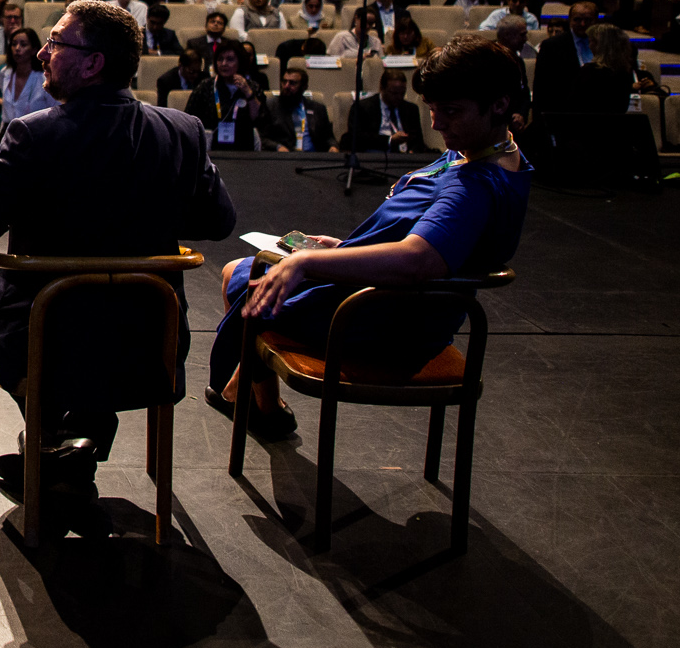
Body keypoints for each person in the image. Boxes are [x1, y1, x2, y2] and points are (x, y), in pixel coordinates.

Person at [0, 0, 236, 523]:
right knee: (97, 332)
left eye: (55, 43)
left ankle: (52, 438)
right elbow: (217, 222)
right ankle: (75, 444)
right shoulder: (184, 132)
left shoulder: (33, 134)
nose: (41, 53)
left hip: (49, 337)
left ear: (93, 63)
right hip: (150, 337)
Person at [207, 34, 532, 439]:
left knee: (246, 277)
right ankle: (261, 405)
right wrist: (342, 249)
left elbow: (417, 260)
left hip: (386, 317)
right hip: (388, 297)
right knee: (250, 271)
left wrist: (307, 261)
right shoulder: (480, 150)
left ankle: (253, 401)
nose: (435, 122)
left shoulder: (476, 185)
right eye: (432, 109)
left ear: (499, 104)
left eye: (451, 111)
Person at [188, 42, 265, 150]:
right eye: (220, 59)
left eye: (230, 59)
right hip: (212, 149)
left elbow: (257, 119)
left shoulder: (253, 87)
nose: (224, 64)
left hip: (244, 149)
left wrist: (247, 92)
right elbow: (189, 120)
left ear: (240, 62)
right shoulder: (205, 86)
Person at [533, 1, 598, 117]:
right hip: (562, 111)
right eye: (577, 20)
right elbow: (541, 85)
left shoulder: (605, 45)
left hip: (595, 110)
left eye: (588, 20)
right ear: (570, 20)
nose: (582, 24)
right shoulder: (551, 45)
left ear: (595, 20)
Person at [0, 25, 56, 129]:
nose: (17, 48)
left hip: (36, 133)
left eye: (23, 45)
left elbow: (55, 111)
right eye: (14, 44)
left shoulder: (44, 78)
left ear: (34, 50)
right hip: (7, 132)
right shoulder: (5, 73)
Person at [345, 68, 424, 153]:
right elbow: (357, 138)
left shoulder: (411, 109)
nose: (399, 97)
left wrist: (413, 151)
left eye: (402, 93)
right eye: (394, 93)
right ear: (382, 88)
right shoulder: (362, 107)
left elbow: (418, 140)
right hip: (374, 157)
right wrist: (389, 140)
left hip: (405, 158)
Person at [258, 66, 335, 152]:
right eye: (284, 82)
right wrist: (278, 147)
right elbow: (262, 137)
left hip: (313, 158)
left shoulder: (318, 108)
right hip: (284, 158)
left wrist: (333, 146)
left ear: (304, 87)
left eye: (292, 83)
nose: (286, 86)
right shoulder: (271, 106)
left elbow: (328, 137)